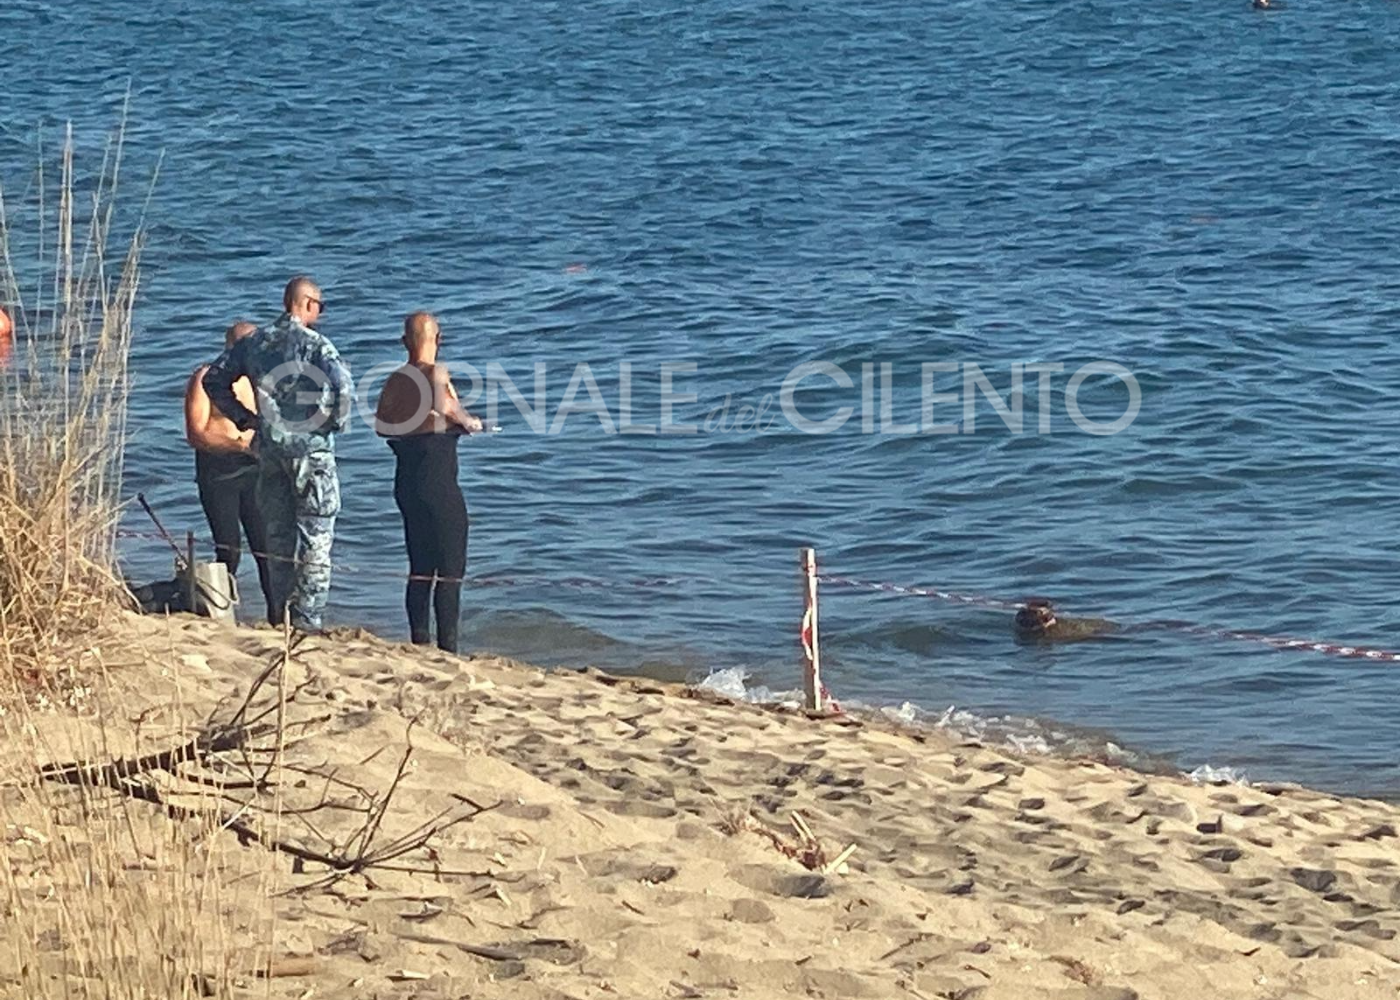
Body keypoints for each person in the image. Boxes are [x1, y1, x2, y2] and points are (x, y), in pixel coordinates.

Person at [202, 276, 353, 633]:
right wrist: (333, 423)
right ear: (307, 304)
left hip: (270, 453)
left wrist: (245, 418)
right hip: (311, 453)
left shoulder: (254, 343)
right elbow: (344, 388)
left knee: (277, 537)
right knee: (316, 538)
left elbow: (213, 380)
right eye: (321, 306)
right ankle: (308, 620)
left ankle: (281, 614)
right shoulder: (317, 345)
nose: (321, 314)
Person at [374, 311, 481, 652]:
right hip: (438, 481)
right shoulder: (435, 372)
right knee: (450, 569)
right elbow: (439, 402)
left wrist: (414, 425)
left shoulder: (395, 379)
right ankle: (448, 648)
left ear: (405, 341)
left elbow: (381, 426)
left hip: (407, 480)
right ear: (438, 339)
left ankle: (419, 641)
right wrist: (468, 421)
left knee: (420, 566)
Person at [183, 320, 274, 619]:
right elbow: (196, 433)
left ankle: (277, 619)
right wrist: (238, 446)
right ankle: (219, 616)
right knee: (229, 549)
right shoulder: (205, 378)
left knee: (267, 549)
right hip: (218, 472)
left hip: (254, 470)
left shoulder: (261, 382)